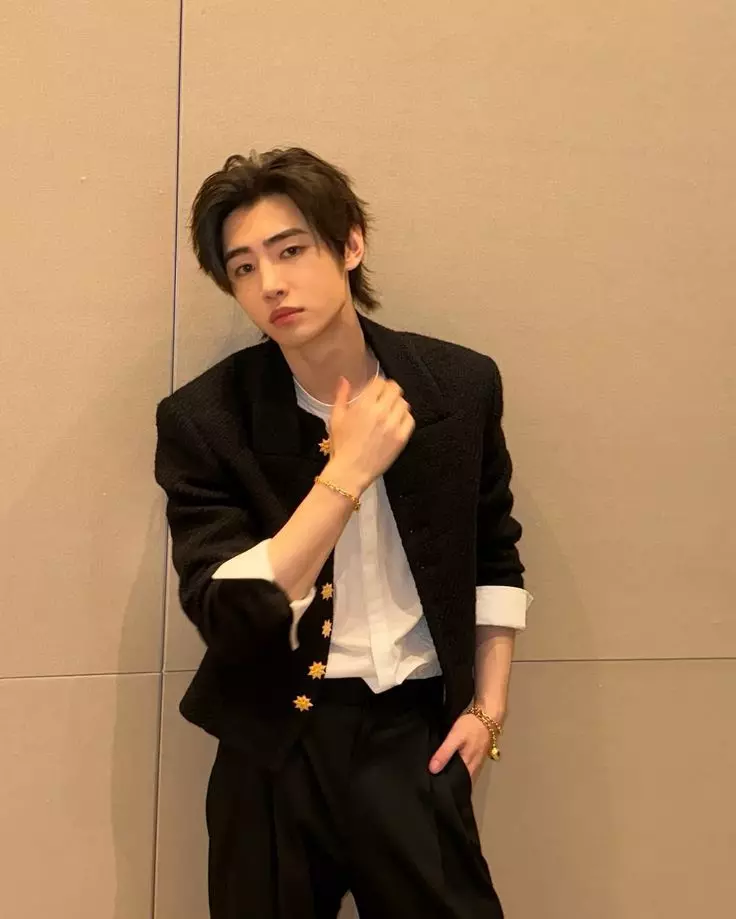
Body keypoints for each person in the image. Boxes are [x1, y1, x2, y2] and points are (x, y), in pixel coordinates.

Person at [154, 146, 532, 919]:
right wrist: (348, 472)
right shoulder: (205, 419)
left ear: (350, 243)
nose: (270, 283)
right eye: (243, 267)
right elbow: (229, 612)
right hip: (271, 747)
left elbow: (494, 551)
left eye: (291, 250)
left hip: (413, 736)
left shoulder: (458, 386)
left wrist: (487, 709)